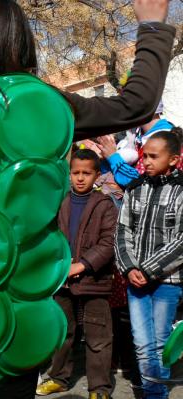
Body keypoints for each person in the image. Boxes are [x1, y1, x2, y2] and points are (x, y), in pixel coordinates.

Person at [0, 1, 173, 397]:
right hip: (17, 296)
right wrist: (151, 28)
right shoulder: (44, 105)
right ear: (24, 44)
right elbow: (135, 105)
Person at [36, 150, 117, 399]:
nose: (80, 178)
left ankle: (99, 388)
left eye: (86, 173)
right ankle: (59, 378)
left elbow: (108, 243)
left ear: (97, 175)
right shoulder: (60, 202)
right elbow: (49, 237)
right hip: (62, 282)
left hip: (94, 282)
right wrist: (59, 262)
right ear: (69, 174)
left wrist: (81, 265)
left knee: (98, 337)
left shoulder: (105, 205)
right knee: (62, 333)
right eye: (76, 172)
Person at [115, 129, 183, 399]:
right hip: (136, 283)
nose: (146, 162)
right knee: (143, 344)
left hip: (167, 283)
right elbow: (122, 232)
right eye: (145, 156)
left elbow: (181, 241)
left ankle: (155, 395)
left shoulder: (180, 191)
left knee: (159, 345)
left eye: (154, 157)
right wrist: (131, 268)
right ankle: (153, 393)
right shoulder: (135, 188)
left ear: (174, 159)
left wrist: (147, 269)